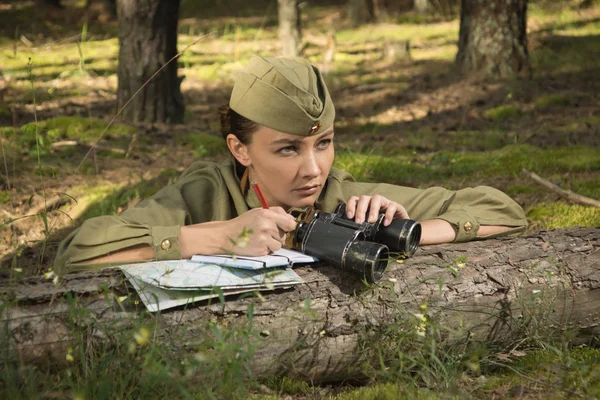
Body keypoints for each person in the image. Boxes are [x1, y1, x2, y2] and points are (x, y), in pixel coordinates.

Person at [54, 56, 528, 275]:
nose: (313, 169)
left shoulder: (340, 194)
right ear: (240, 150)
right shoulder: (203, 193)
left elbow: (502, 210)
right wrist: (220, 236)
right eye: (288, 149)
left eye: (323, 143)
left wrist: (406, 229)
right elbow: (77, 251)